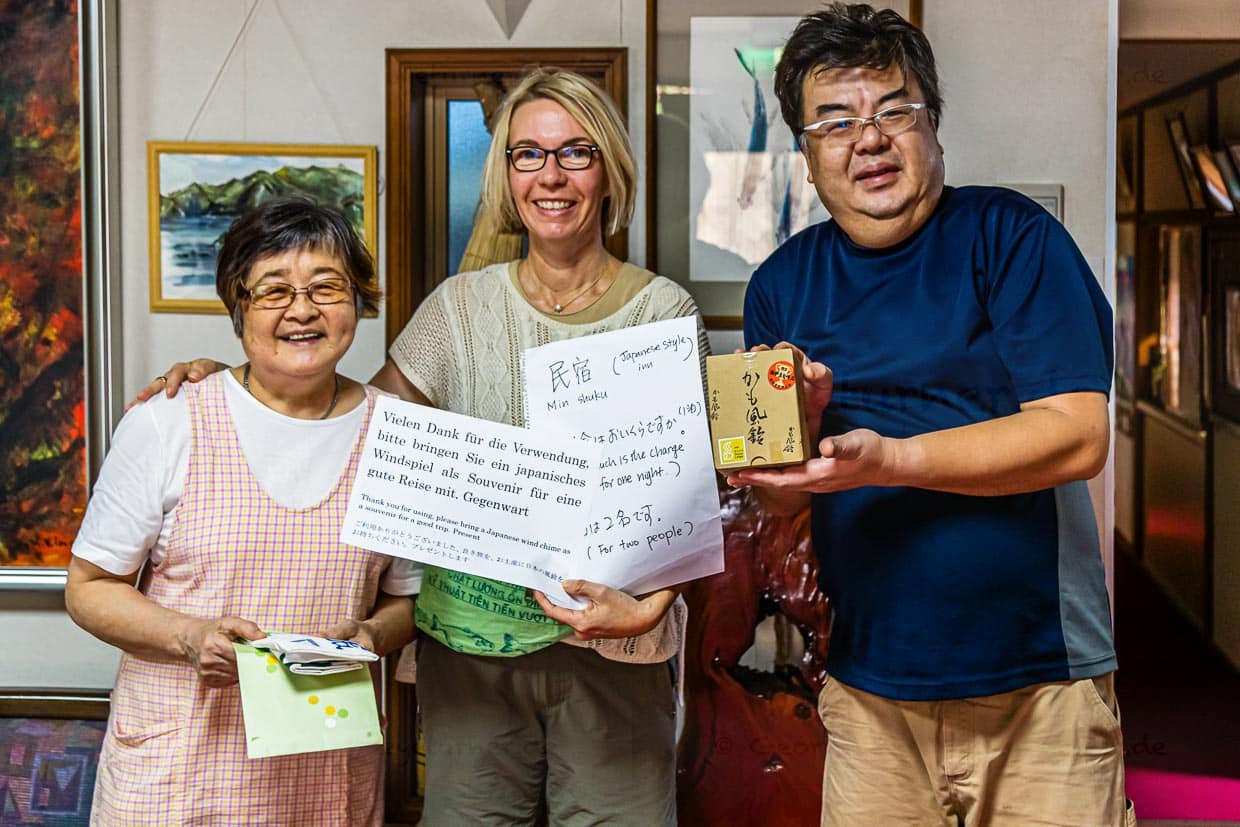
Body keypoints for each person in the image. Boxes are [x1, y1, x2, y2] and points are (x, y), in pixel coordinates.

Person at [139, 68, 707, 825]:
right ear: (505, 174)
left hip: (613, 653)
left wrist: (649, 611)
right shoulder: (456, 309)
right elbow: (350, 423)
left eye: (576, 152)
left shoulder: (664, 311)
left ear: (609, 169)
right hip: (468, 654)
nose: (551, 175)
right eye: (527, 154)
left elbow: (693, 500)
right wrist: (239, 380)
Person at [729, 5, 1129, 826]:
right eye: (835, 122)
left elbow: (1078, 433)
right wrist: (798, 437)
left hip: (1041, 685)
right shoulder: (779, 286)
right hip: (870, 690)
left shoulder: (1013, 238)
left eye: (893, 111)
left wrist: (888, 459)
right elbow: (776, 500)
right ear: (807, 156)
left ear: (933, 127)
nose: (867, 139)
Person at [67, 198, 418, 826]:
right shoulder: (169, 421)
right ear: (239, 307)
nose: (302, 310)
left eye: (327, 287)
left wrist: (370, 637)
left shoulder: (399, 437)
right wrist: (189, 636)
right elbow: (89, 589)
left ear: (357, 301)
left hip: (323, 772)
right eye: (273, 291)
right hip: (180, 772)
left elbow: (406, 601)